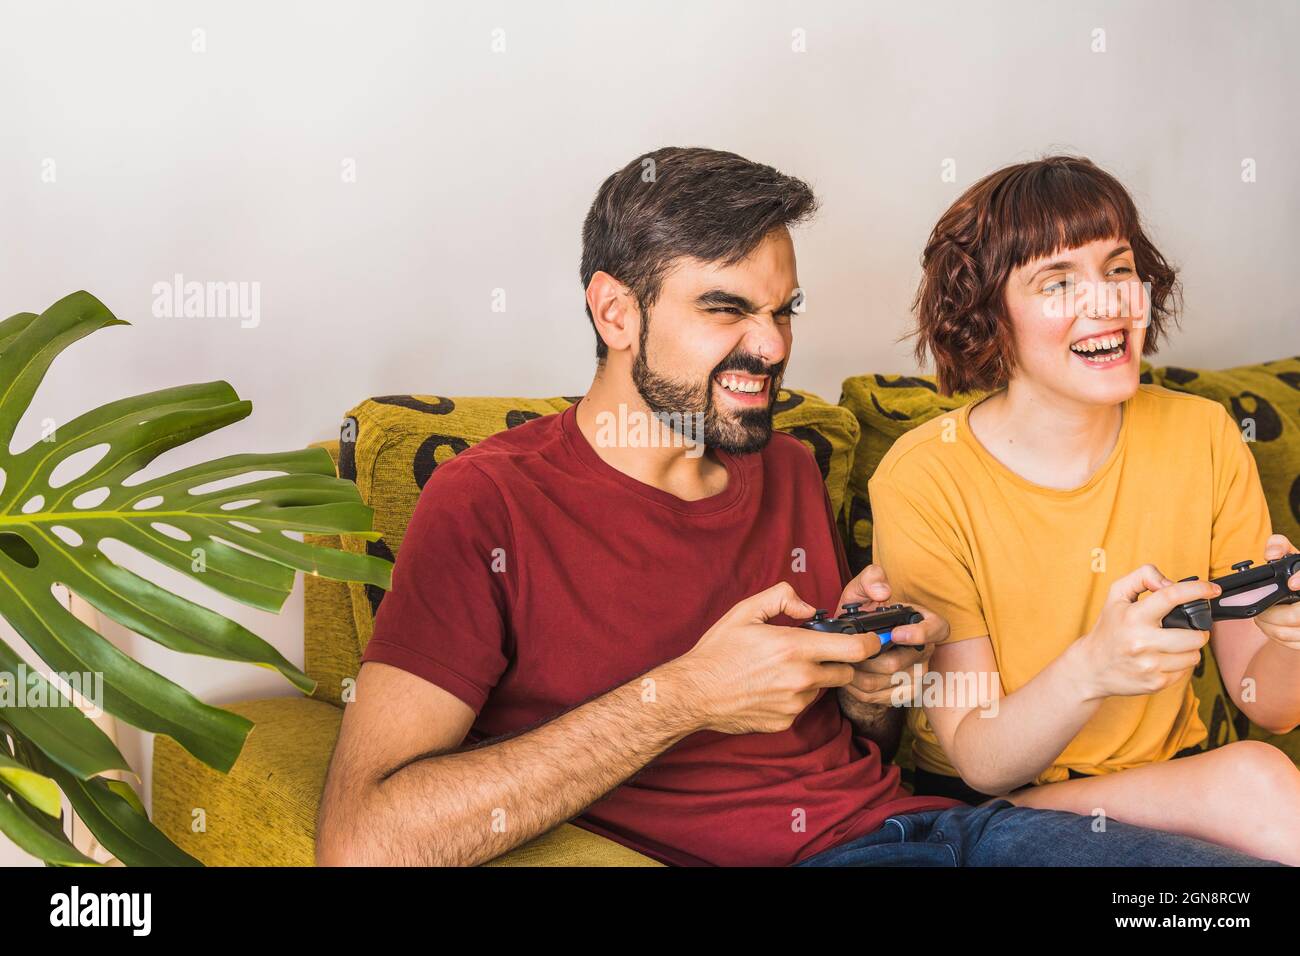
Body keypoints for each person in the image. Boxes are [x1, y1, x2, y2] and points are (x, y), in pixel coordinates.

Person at [316, 147, 1276, 866]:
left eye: (784, 312)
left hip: (957, 835)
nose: (771, 348)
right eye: (726, 310)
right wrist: (683, 697)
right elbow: (362, 839)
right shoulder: (487, 503)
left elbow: (860, 744)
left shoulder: (782, 468)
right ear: (615, 313)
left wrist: (874, 690)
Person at [870, 155, 1300, 864]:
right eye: (1057, 281)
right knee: (1257, 781)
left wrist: (1287, 640)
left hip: (1174, 784)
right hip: (996, 811)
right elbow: (980, 757)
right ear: (988, 314)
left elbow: (1268, 703)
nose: (1109, 304)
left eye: (1120, 268)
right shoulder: (924, 476)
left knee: (1258, 777)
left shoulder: (1205, 433)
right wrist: (1093, 669)